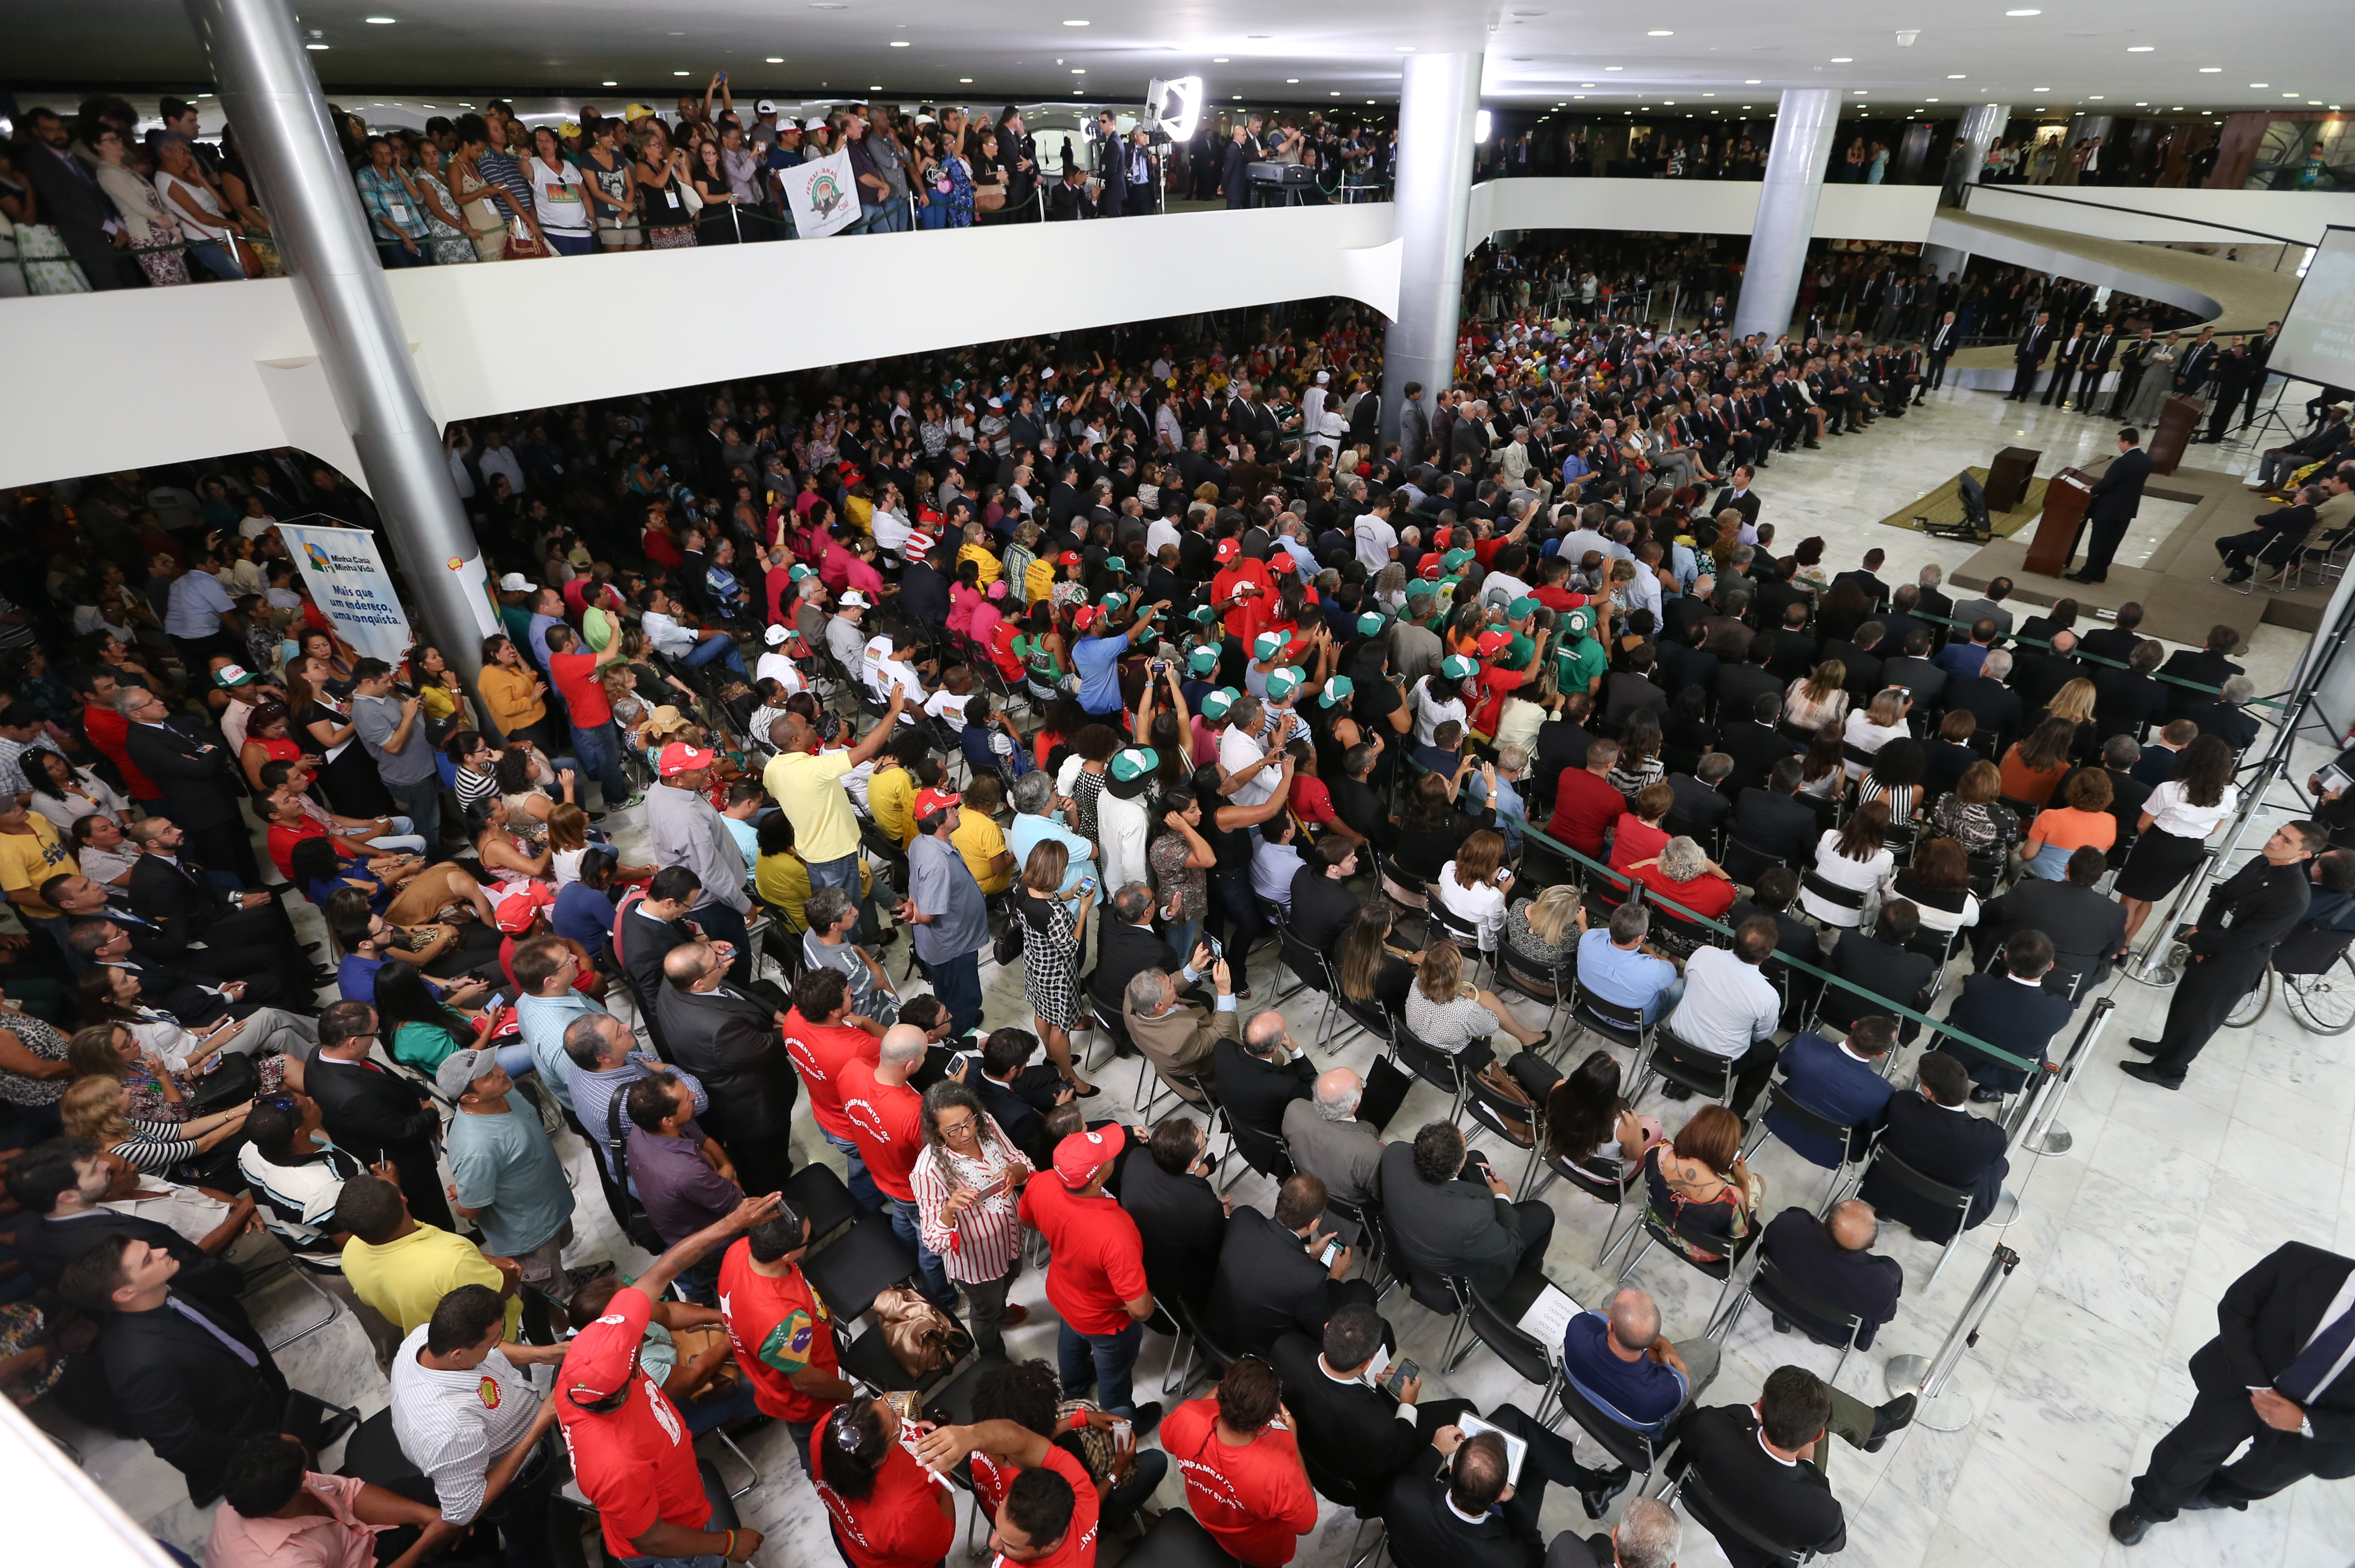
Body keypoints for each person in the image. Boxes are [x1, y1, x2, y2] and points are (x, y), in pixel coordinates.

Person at [559, 1192, 784, 1567]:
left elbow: (663, 1271)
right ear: (622, 1382)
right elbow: (652, 1537)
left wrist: (733, 1223)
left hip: (681, 1488)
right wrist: (727, 1544)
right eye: (635, 1361)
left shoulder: (596, 1352)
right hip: (678, 1548)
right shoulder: (614, 1464)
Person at [2111, 1240, 2355, 1544]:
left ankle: (2216, 1494)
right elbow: (2236, 1309)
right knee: (2192, 1451)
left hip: (2329, 1423)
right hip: (2251, 1380)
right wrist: (2257, 1385)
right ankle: (2148, 1508)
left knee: (2261, 1478)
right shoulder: (2300, 1261)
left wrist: (2303, 1422)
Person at [58, 1229, 314, 1507]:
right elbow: (178, 1442)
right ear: (124, 1293)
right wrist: (259, 1452)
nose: (162, 1251)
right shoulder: (140, 1362)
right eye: (148, 1261)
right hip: (247, 1435)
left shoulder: (160, 1289)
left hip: (257, 1395)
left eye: (150, 1248)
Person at [2125, 820, 2323, 1091]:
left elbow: (2247, 938)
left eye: (2287, 841)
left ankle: (2170, 1071)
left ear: (2304, 854)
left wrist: (2200, 942)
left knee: (2199, 1020)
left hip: (2230, 966)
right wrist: (2199, 936)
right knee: (2184, 1008)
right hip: (2208, 946)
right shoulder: (2261, 861)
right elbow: (2222, 896)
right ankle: (2167, 1048)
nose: (2275, 840)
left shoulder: (2293, 896)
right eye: (2279, 833)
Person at [386, 1282, 568, 1565]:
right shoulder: (449, 1430)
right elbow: (465, 1509)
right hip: (518, 1486)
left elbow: (491, 1353)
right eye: (493, 1340)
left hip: (523, 1445)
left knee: (555, 1515)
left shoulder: (425, 1338)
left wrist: (541, 1354)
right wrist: (541, 1423)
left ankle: (563, 1518)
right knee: (534, 1543)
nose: (497, 1344)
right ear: (458, 1354)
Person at [1020, 1128, 1162, 1427]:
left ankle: (1073, 1392)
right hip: (1104, 1321)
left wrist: (1061, 1234)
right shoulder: (1116, 1232)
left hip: (1062, 1293)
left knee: (1070, 1341)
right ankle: (1120, 1421)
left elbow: (1025, 1218)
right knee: (1115, 1377)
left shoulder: (1043, 1181)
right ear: (1097, 1179)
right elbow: (1140, 1310)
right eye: (1109, 1156)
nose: (1114, 1155)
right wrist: (1142, 1302)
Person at [1382, 1399, 1632, 1568]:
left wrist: (1436, 1449)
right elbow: (1535, 1552)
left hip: (1413, 1551)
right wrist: (1512, 1502)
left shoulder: (1401, 1495)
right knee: (1535, 1464)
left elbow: (1410, 1478)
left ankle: (1590, 1485)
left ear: (1452, 1468)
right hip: (1478, 1543)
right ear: (1500, 1494)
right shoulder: (1505, 1559)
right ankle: (1591, 1485)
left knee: (1509, 1417)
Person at [716, 1199, 856, 1473]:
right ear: (786, 1255)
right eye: (809, 1238)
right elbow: (806, 1382)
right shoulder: (780, 1320)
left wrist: (818, 1308)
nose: (810, 1238)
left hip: (803, 1352)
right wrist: (846, 1391)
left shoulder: (741, 1250)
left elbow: (795, 1284)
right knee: (822, 1458)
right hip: (809, 1405)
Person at [1669, 1368, 1857, 1568]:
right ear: (1816, 1437)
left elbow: (1691, 1426)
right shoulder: (1823, 1515)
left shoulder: (1706, 1427)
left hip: (1701, 1504)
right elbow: (1834, 1545)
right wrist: (1809, 1464)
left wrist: (1748, 1413)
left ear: (1759, 1407)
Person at [656, 939, 800, 1197]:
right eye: (716, 963)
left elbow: (736, 994)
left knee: (747, 1154)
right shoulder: (720, 1029)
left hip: (725, 1087)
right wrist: (793, 1026)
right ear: (698, 983)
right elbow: (768, 1047)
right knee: (766, 1164)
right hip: (755, 1107)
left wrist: (776, 1015)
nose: (725, 960)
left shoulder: (676, 980)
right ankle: (775, 1197)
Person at [205, 1432, 463, 1568]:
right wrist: (426, 1544)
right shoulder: (288, 1563)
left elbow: (347, 1493)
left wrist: (427, 1516)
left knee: (457, 1502)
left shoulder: (257, 1487)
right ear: (296, 1484)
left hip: (360, 1540)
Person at [910, 1078, 1034, 1358]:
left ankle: (1000, 1310)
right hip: (977, 1264)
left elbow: (1023, 1162)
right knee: (983, 1312)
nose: (966, 1133)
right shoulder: (928, 1171)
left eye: (968, 1121)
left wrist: (1014, 1172)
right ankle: (994, 1355)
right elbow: (933, 1241)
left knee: (1012, 1275)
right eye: (953, 1130)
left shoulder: (986, 1125)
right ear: (937, 1132)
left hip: (1011, 1237)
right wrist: (949, 1210)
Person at [438, 1047, 575, 1299]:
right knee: (551, 1295)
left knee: (556, 1269)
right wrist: (469, 1195)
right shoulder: (476, 1149)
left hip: (550, 1207)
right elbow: (469, 1211)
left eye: (495, 1066)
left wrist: (476, 1186)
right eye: (489, 1076)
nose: (501, 1072)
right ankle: (564, 1331)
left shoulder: (505, 1090)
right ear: (470, 1099)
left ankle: (564, 1277)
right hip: (528, 1234)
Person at [1158, 1356, 1322, 1567]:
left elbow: (1168, 1442)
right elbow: (1306, 1525)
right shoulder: (1279, 1472)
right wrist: (1293, 1442)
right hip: (1257, 1550)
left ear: (1222, 1392)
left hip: (1207, 1516)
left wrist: (1236, 1389)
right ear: (1266, 1422)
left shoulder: (1186, 1417)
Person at [307, 1000, 454, 1229]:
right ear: (353, 1042)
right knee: (433, 1218)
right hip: (405, 1166)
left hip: (385, 1116)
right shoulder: (353, 1097)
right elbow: (402, 1131)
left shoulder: (319, 1055)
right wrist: (431, 1114)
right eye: (373, 1033)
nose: (376, 1038)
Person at [839, 1025, 957, 1309]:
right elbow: (938, 1160)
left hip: (880, 1175)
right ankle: (943, 1299)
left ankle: (905, 1262)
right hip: (911, 1190)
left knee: (902, 1222)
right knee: (930, 1247)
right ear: (911, 1065)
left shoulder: (852, 1070)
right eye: (925, 1055)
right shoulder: (915, 1113)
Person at [1376, 1120, 1553, 1308]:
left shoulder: (1394, 1153)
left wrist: (1465, 1165)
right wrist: (1501, 1197)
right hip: (1454, 1278)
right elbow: (1510, 1249)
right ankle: (1522, 1278)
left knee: (1476, 1158)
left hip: (1403, 1246)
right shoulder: (1473, 1218)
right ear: (1457, 1168)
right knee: (1542, 1214)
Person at [1207, 1172, 1377, 1359]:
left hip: (1211, 1330)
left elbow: (1267, 1250)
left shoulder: (1243, 1217)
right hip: (1256, 1357)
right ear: (1313, 1224)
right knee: (1362, 1291)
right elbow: (1325, 1329)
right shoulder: (1310, 1279)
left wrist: (1307, 1250)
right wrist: (1336, 1275)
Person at [1858, 1052, 2011, 1240]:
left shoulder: (1903, 1104)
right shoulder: (1990, 1138)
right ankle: (1925, 1229)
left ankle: (1887, 1208)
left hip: (1884, 1187)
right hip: (1941, 1211)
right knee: (2000, 1165)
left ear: (1929, 1092)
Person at [623, 1070, 743, 1299]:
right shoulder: (686, 1172)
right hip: (712, 1246)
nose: (695, 1095)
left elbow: (703, 1140)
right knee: (725, 1287)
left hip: (683, 1227)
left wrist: (722, 1168)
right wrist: (727, 1170)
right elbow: (733, 1197)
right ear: (668, 1120)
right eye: (688, 1098)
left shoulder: (643, 1129)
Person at [1662, 917, 1782, 1117]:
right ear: (1768, 955)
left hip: (1676, 1042)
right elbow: (1762, 1036)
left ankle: (1678, 1082)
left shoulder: (1703, 954)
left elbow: (1687, 985)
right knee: (1769, 1052)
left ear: (1734, 937)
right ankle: (1736, 1114)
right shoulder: (1768, 996)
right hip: (1719, 1064)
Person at [1937, 928, 2074, 1099]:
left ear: (2006, 957)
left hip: (1957, 1054)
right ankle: (1988, 1090)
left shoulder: (1978, 984)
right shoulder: (2060, 1010)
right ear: (2050, 966)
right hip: (2009, 1074)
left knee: (1961, 1005)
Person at [898, 785, 992, 1036]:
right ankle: (959, 1031)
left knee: (947, 991)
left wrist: (912, 901)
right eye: (951, 809)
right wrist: (914, 914)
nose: (957, 811)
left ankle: (958, 1016)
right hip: (953, 947)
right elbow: (928, 915)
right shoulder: (937, 863)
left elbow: (917, 885)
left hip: (943, 945)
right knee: (965, 996)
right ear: (938, 821)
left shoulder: (921, 842)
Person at [1759, 1200, 1904, 1350]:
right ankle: (1816, 1335)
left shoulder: (1790, 1225)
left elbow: (1768, 1242)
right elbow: (1884, 1316)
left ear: (1824, 1223)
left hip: (1774, 1295)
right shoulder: (1881, 1285)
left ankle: (1782, 1316)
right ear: (1871, 1245)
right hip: (1830, 1330)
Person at [1766, 1014, 1898, 1169]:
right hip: (1827, 1150)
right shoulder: (1882, 1093)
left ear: (1854, 1024)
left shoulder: (1804, 1043)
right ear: (1880, 1054)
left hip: (1780, 1120)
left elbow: (1783, 1069)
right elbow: (1874, 1125)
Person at [1124, 955, 1236, 1108]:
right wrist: (1224, 991)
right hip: (1205, 1084)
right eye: (1170, 986)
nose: (1173, 983)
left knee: (1206, 1001)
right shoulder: (1180, 1041)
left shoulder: (1132, 997)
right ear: (1159, 1005)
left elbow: (1168, 984)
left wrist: (1194, 967)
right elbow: (1222, 1035)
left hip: (1170, 1060)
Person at [1214, 1009, 1317, 1171]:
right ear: (1276, 1049)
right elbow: (1313, 1084)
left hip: (1241, 1130)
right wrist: (1294, 1049)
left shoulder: (1222, 1049)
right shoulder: (1283, 1088)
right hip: (1274, 1150)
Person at [1281, 1067, 1384, 1206]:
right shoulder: (1369, 1152)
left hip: (1308, 1192)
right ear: (1354, 1105)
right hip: (1348, 1215)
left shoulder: (1295, 1109)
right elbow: (1381, 1195)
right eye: (1361, 1086)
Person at [2068, 428, 2153, 584]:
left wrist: (2092, 489)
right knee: (2111, 544)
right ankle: (2100, 573)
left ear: (2126, 442)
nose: (2119, 445)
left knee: (2098, 543)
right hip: (2127, 510)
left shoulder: (2123, 462)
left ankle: (2086, 575)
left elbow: (2108, 484)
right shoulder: (2146, 460)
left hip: (2109, 509)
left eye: (2120, 442)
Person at [1577, 904, 1682, 1023]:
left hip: (1592, 1007)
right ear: (1638, 938)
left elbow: (1603, 933)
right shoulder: (1655, 971)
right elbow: (1672, 972)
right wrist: (1653, 954)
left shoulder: (1587, 939)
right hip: (1633, 1025)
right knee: (1681, 984)